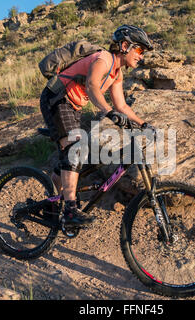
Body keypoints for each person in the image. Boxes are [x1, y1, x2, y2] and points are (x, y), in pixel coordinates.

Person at [40, 25, 154, 227]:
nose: (141, 56)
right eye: (139, 50)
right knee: (74, 150)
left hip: (72, 106)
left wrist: (143, 123)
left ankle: (52, 205)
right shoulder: (104, 59)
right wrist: (108, 112)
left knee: (70, 157)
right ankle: (70, 210)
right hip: (56, 98)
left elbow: (122, 105)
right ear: (125, 46)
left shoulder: (116, 73)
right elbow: (92, 87)